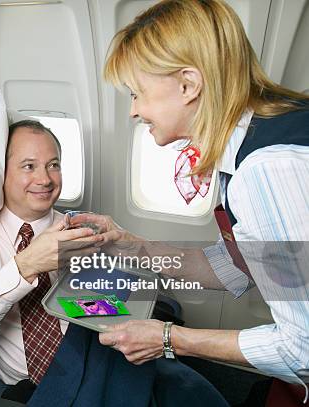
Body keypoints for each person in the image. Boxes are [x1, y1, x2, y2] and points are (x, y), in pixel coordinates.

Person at [93, 0, 309, 403]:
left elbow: (303, 351)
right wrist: (129, 245)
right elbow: (236, 265)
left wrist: (169, 339)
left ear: (189, 85)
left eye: (138, 93)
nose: (133, 111)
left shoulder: (267, 170)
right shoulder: (259, 135)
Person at [0, 120, 227, 405]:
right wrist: (25, 266)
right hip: (44, 381)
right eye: (29, 166)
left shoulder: (81, 230)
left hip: (101, 350)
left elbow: (104, 305)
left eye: (53, 164)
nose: (45, 179)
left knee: (191, 393)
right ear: (2, 173)